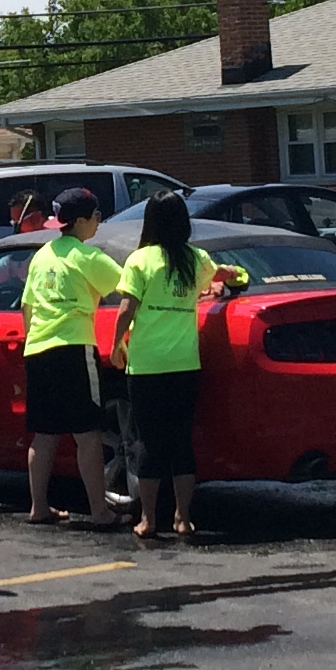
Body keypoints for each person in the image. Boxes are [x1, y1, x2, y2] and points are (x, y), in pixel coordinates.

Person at [107, 192, 245, 540]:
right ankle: (183, 517)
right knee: (181, 441)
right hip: (185, 364)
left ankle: (149, 519)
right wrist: (236, 276)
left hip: (147, 365)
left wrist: (116, 345)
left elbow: (126, 308)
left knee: (149, 443)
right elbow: (229, 274)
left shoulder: (141, 260)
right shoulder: (196, 258)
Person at [19, 185, 126, 528]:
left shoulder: (42, 255)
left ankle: (38, 507)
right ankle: (99, 511)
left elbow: (26, 307)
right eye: (96, 216)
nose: (98, 222)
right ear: (80, 221)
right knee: (87, 433)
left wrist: (34, 338)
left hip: (38, 349)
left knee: (44, 434)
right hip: (74, 348)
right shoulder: (87, 257)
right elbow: (130, 289)